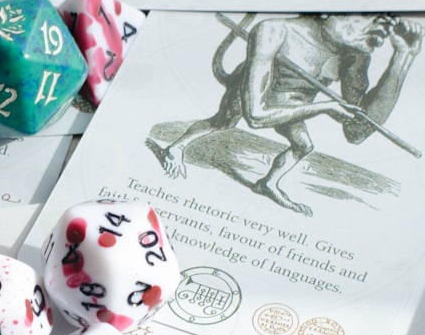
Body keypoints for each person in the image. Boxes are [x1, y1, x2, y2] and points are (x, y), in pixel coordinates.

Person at [158, 14, 423, 216]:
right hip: (256, 96)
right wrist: (325, 107)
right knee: (223, 121)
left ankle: (268, 184)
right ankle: (175, 148)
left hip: (291, 102)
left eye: (387, 23)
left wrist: (403, 57)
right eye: (372, 16)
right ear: (330, 11)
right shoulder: (275, 30)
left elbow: (357, 130)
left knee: (303, 145)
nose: (382, 29)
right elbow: (256, 116)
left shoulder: (354, 55)